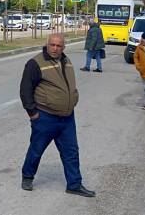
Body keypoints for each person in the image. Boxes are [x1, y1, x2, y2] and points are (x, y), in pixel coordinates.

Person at [20, 33, 95, 197]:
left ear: (63, 47)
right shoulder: (35, 63)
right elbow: (25, 91)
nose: (55, 48)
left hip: (67, 118)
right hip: (45, 117)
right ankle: (27, 176)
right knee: (36, 149)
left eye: (58, 46)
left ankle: (74, 184)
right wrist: (32, 113)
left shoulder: (66, 61)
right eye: (52, 45)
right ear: (47, 45)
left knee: (71, 152)